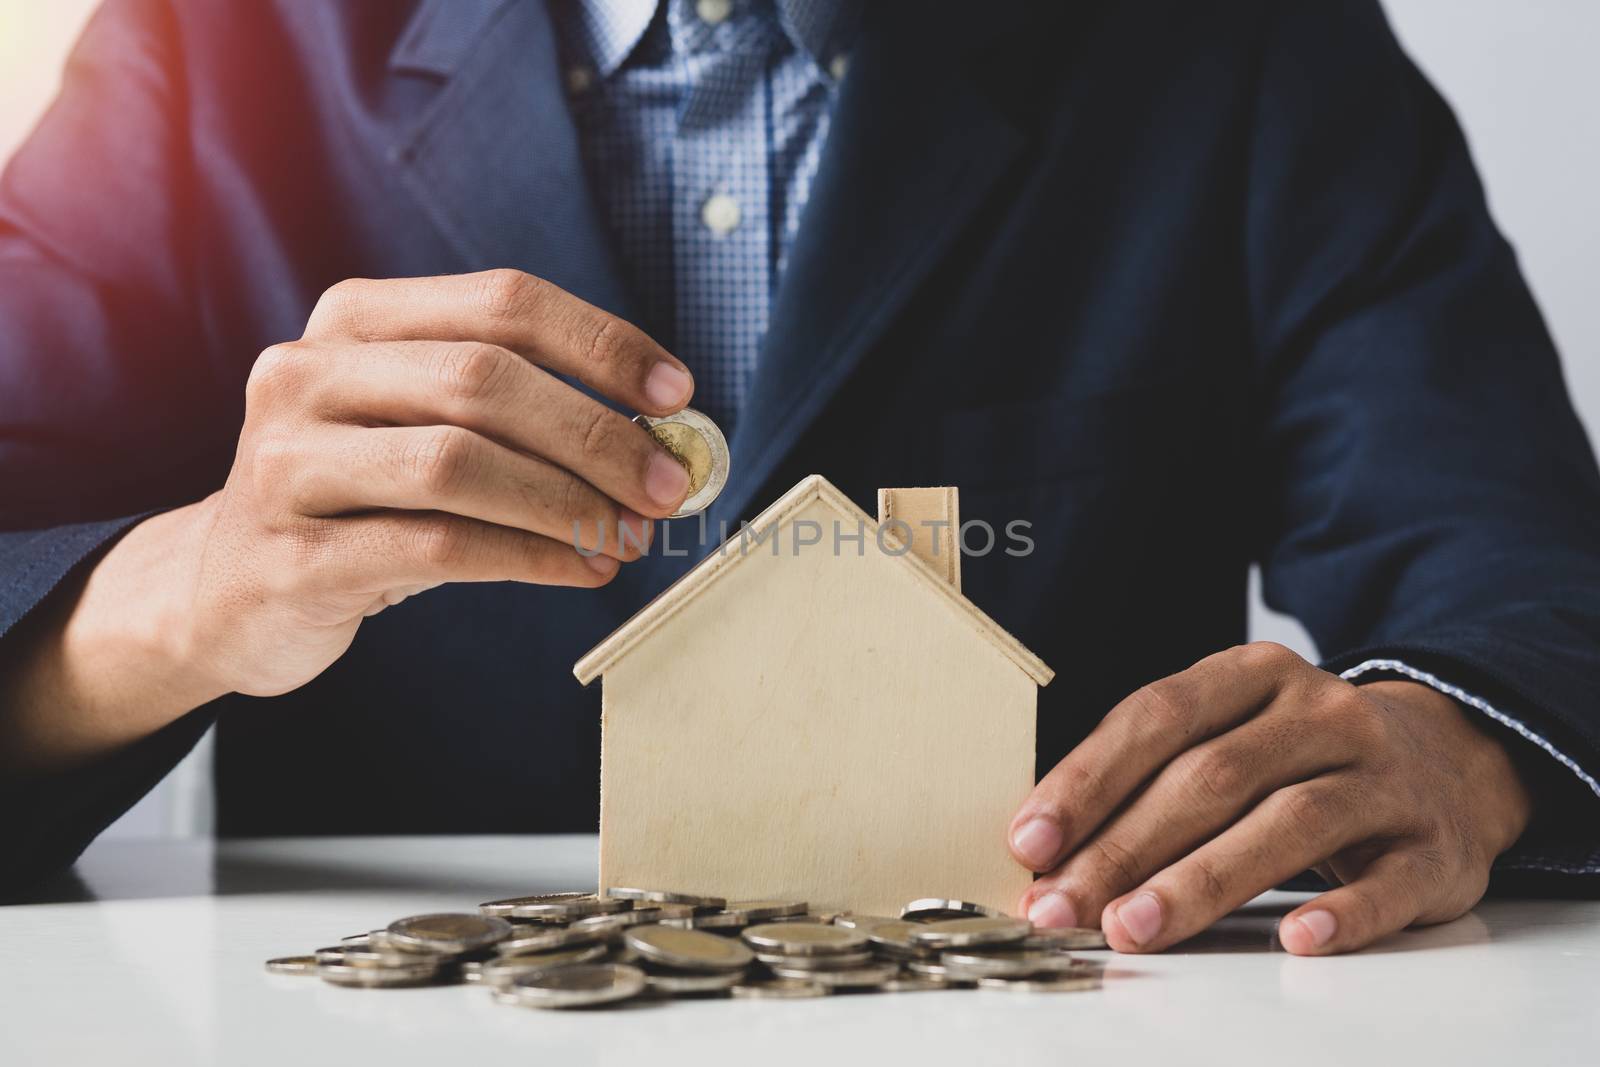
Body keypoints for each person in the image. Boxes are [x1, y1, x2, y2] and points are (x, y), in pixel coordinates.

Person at [2, 0, 1597, 955]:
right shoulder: (208, 54)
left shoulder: (1237, 39)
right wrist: (180, 593)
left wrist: (1452, 742)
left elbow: (1524, 570)